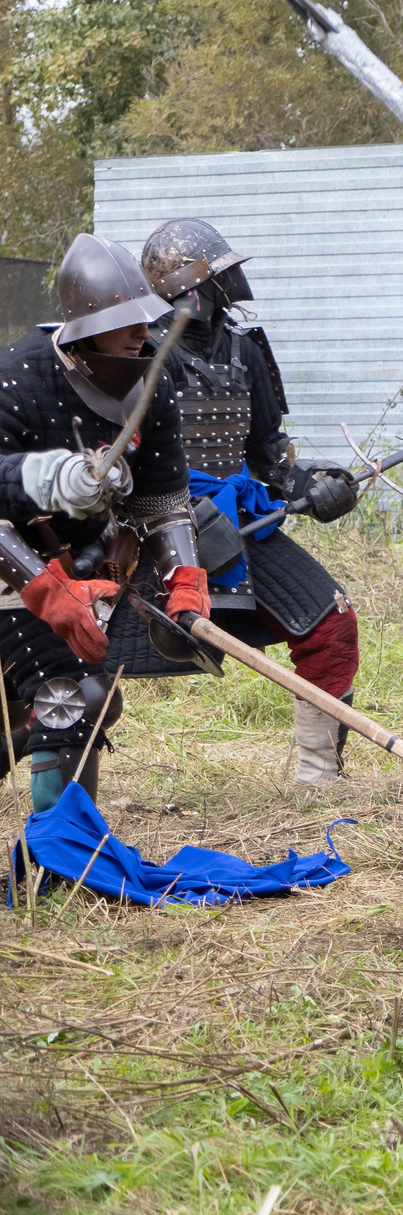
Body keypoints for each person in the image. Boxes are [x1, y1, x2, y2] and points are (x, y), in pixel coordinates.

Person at [138, 219, 365, 784]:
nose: (234, 280)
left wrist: (309, 483)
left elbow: (267, 447)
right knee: (72, 649)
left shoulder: (244, 349)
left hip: (238, 517)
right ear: (193, 287)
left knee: (330, 621)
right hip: (155, 525)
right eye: (221, 273)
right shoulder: (138, 350)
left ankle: (319, 778)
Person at [1, 236, 212, 814]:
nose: (142, 332)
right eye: (125, 322)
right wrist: (44, 586)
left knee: (81, 700)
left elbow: (162, 498)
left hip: (81, 569)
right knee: (72, 697)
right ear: (86, 321)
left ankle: (62, 857)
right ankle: (60, 863)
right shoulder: (17, 373)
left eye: (145, 319)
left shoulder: (154, 383)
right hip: (8, 565)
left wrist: (186, 578)